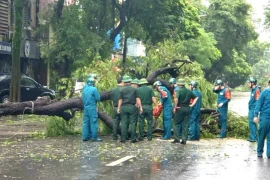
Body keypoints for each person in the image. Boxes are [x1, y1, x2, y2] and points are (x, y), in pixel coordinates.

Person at [117, 75, 143, 143]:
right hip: (132, 107)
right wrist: (140, 107)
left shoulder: (121, 89)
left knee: (124, 123)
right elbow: (138, 99)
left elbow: (120, 99)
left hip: (124, 107)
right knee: (133, 123)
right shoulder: (134, 89)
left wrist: (119, 108)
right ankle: (133, 138)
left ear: (124, 82)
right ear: (130, 81)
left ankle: (123, 139)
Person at [172, 79, 198, 144]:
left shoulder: (178, 91)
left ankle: (177, 139)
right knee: (185, 125)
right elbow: (196, 97)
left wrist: (175, 107)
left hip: (180, 108)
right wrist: (191, 105)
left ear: (179, 84)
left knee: (175, 123)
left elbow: (176, 99)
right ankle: (184, 140)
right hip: (187, 108)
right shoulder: (189, 91)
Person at [81, 77, 101, 142]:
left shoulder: (84, 89)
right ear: (93, 83)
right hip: (92, 108)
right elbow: (98, 98)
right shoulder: (94, 89)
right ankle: (94, 137)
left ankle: (84, 137)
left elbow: (82, 99)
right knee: (93, 122)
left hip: (85, 108)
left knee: (86, 122)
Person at [254, 80, 270, 158]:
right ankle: (259, 151)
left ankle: (269, 153)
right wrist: (256, 115)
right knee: (262, 135)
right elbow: (258, 104)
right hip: (264, 117)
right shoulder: (264, 92)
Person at [247, 76, 260, 142]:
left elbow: (258, 101)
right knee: (251, 123)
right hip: (251, 109)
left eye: (249, 83)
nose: (248, 84)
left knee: (252, 123)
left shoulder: (257, 90)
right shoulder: (253, 90)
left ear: (253, 83)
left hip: (253, 109)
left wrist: (256, 113)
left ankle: (254, 137)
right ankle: (252, 136)